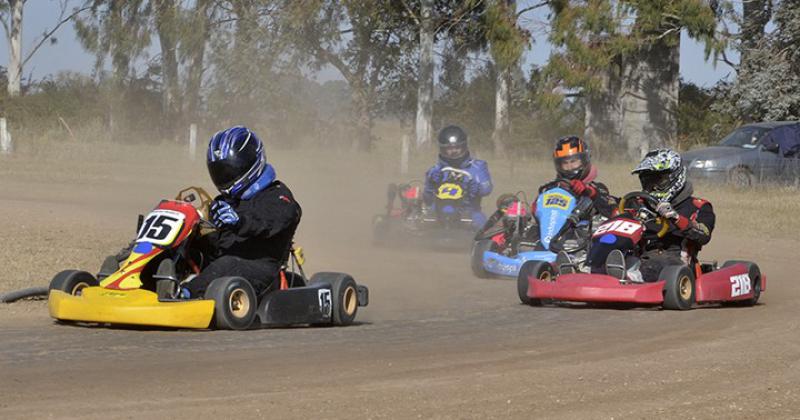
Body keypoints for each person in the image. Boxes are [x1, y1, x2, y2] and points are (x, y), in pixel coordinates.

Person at [182, 126, 302, 298]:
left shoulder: (278, 197)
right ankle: (140, 284)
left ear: (250, 163)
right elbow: (215, 244)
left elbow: (270, 222)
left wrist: (240, 221)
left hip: (261, 270)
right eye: (220, 171)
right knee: (181, 250)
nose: (224, 176)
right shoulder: (224, 202)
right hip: (222, 267)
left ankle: (184, 295)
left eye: (229, 170)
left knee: (227, 265)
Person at [598, 148, 715, 283]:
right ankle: (589, 267)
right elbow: (611, 205)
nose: (652, 187)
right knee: (612, 246)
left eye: (658, 180)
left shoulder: (698, 206)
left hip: (675, 262)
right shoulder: (638, 202)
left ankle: (632, 277)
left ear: (674, 177)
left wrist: (676, 218)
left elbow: (704, 234)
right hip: (639, 255)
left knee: (657, 261)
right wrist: (594, 193)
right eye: (648, 181)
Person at [541, 136, 618, 273]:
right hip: (554, 235)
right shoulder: (551, 188)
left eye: (574, 161)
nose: (570, 167)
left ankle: (579, 263)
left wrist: (589, 192)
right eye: (565, 163)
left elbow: (610, 208)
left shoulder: (597, 188)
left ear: (584, 160)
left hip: (580, 236)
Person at [422, 125, 493, 229]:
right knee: (423, 219)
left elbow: (487, 189)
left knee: (482, 224)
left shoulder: (477, 166)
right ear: (443, 149)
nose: (454, 151)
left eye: (457, 147)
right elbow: (428, 199)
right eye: (449, 148)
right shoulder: (436, 169)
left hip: (468, 210)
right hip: (438, 211)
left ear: (464, 146)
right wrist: (430, 183)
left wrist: (476, 187)